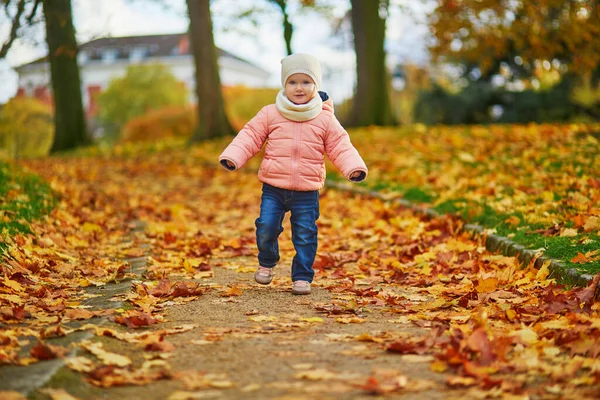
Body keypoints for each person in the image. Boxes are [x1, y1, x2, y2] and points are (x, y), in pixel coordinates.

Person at [219, 53, 367, 295]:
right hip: (274, 187)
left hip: (307, 190)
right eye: (293, 82)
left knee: (305, 234)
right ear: (284, 85)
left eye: (306, 82)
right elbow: (250, 136)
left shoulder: (325, 118)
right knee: (266, 226)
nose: (299, 88)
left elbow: (341, 145)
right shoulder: (270, 113)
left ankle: (301, 276)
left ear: (316, 85)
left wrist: (353, 168)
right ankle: (267, 261)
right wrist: (233, 156)